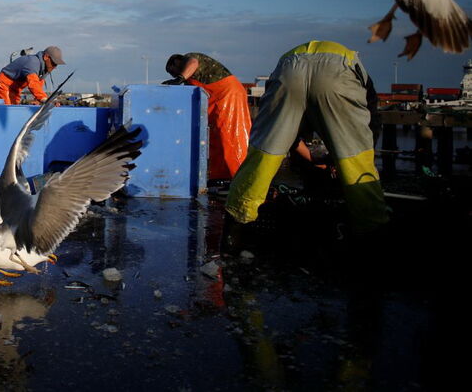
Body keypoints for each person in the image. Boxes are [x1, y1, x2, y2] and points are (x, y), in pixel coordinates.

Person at [224, 41, 388, 245]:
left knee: (264, 153)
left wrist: (312, 159)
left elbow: (285, 137)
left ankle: (236, 228)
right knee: (356, 158)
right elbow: (370, 123)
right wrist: (340, 160)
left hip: (288, 68)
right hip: (338, 72)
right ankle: (371, 232)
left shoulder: (290, 59)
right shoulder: (356, 66)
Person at [165, 52, 251, 191]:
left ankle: (238, 178)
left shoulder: (190, 58)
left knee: (230, 137)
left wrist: (180, 78)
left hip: (228, 94)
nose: (173, 76)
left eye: (172, 72)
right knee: (216, 139)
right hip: (217, 100)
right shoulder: (189, 80)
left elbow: (193, 63)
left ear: (177, 62)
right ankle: (220, 177)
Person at [0, 46, 65, 105]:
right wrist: (44, 99)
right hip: (4, 85)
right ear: (46, 57)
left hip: (16, 88)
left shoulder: (46, 68)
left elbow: (39, 84)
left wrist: (38, 100)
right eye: (54, 63)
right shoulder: (32, 63)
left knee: (14, 109)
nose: (55, 67)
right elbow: (33, 83)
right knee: (7, 109)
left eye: (56, 64)